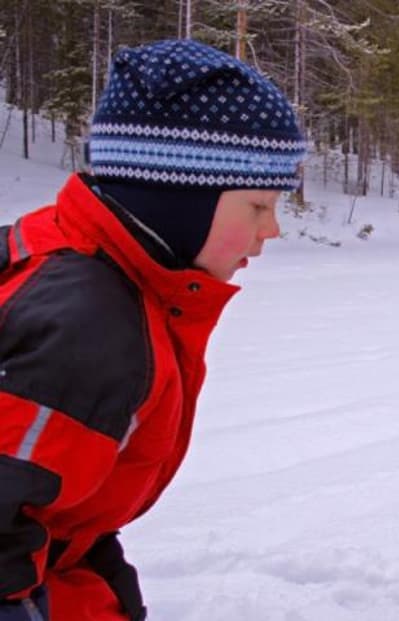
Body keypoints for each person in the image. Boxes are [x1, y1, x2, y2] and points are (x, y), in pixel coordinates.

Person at [0, 39, 305, 620]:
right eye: (258, 207)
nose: (273, 230)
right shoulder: (86, 330)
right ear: (179, 198)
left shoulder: (93, 266)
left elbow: (60, 512)